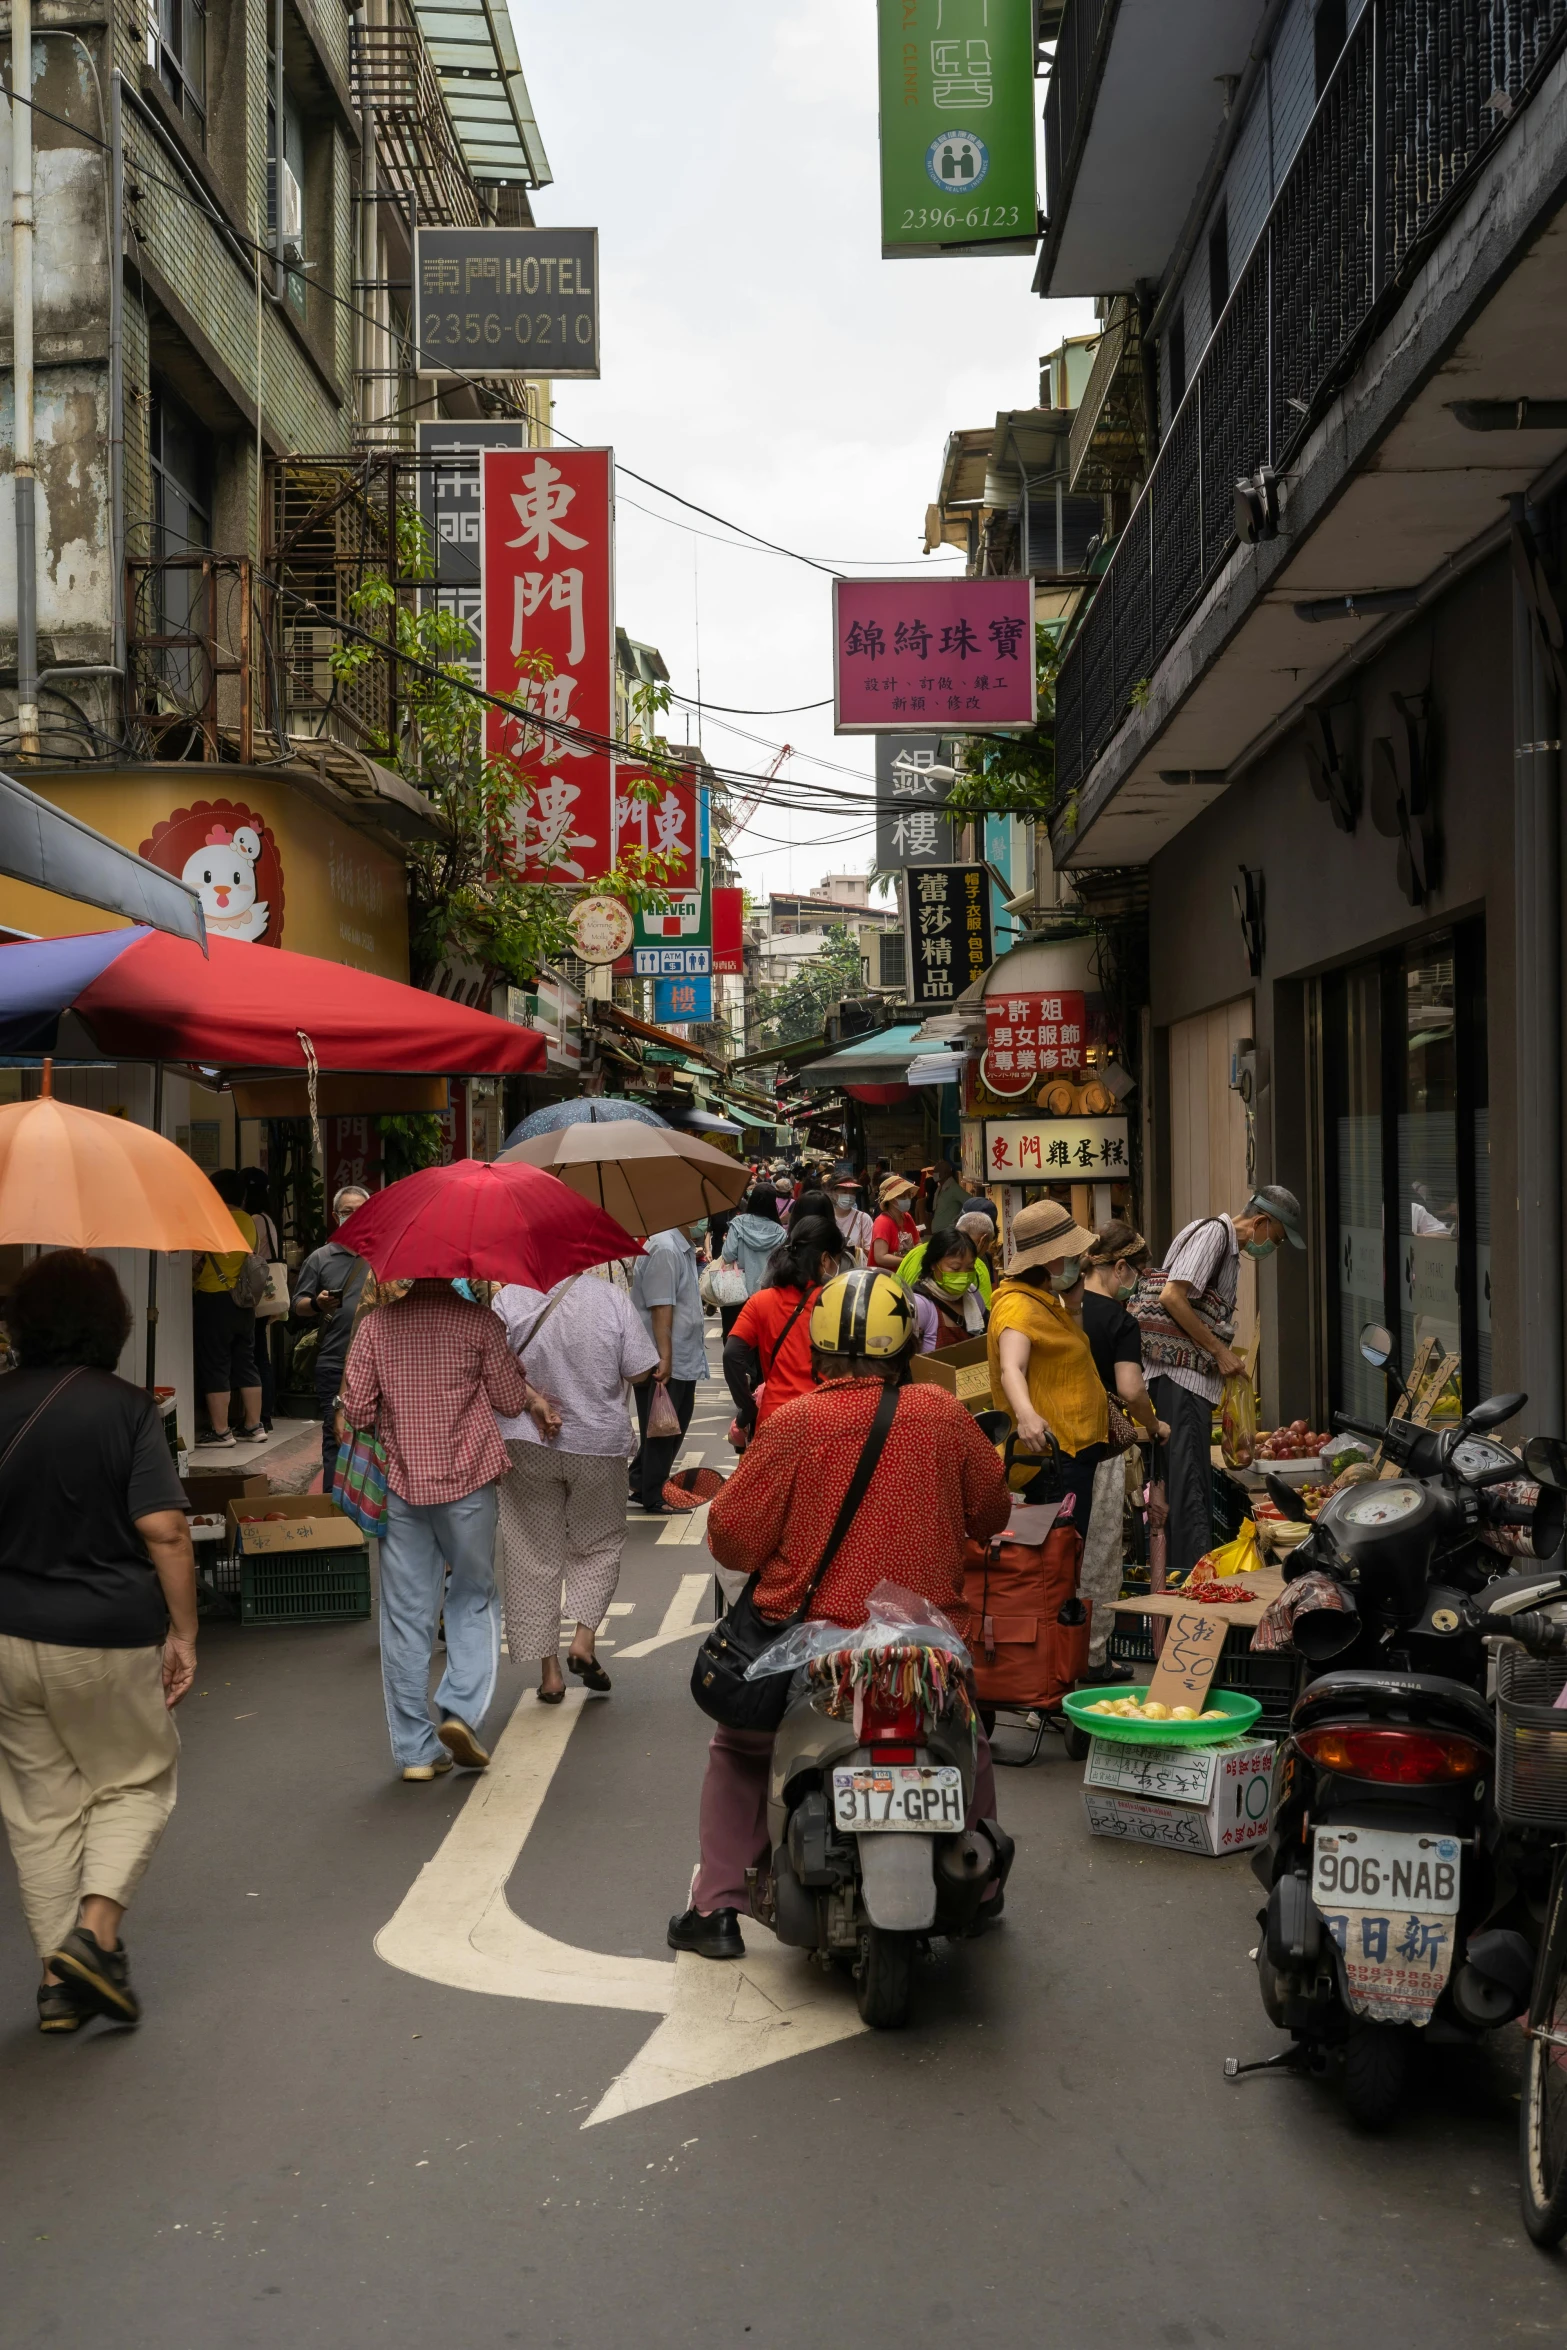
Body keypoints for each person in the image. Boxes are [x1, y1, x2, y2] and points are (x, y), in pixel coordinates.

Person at [669, 1268, 1012, 1959]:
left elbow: (733, 1538)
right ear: (906, 1347)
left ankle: (717, 1908)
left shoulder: (794, 1423)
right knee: (966, 1741)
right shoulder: (943, 1413)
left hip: (814, 1648)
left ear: (818, 1351)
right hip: (926, 1647)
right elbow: (992, 1511)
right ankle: (980, 1888)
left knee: (739, 1750)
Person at [0, 1252, 197, 2031]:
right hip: (106, 1635)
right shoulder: (125, 1408)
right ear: (111, 1325)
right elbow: (166, 1530)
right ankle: (95, 1936)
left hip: (8, 1636)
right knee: (134, 1780)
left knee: (39, 1808)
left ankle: (58, 1984)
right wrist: (183, 1630)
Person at [340, 1279, 527, 1781]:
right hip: (467, 1483)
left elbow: (355, 1411)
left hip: (400, 1487)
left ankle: (416, 1752)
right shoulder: (480, 1322)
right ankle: (460, 1709)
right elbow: (511, 1402)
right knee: (473, 1594)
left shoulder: (376, 1327)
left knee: (405, 1614)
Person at [492, 1275, 658, 1704]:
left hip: (526, 1441)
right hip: (597, 1445)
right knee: (599, 1543)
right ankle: (583, 1640)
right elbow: (640, 1370)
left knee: (531, 1552)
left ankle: (549, 1675)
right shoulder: (610, 1297)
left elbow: (492, 1367)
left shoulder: (508, 1297)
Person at [1144, 1184, 1305, 1586]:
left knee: (1180, 1491)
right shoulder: (1216, 1235)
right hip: (1180, 1382)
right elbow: (1172, 1297)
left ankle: (1180, 1582)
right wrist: (1220, 1352)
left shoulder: (1214, 1237)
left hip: (1180, 1383)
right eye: (1278, 1238)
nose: (1274, 1248)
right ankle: (1192, 1590)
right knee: (1189, 1492)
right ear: (1263, 1222)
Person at [1077, 1225, 1170, 1686]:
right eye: (1135, 1273)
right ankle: (1091, 1660)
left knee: (1055, 1555)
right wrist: (1153, 1425)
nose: (1134, 1283)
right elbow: (1132, 1390)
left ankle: (1047, 1656)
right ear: (1118, 1268)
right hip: (1099, 1442)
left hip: (1047, 1448)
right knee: (1098, 1554)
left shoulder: (1058, 1309)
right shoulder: (1119, 1320)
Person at [986, 1197, 1110, 1535]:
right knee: (1058, 1554)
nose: (1077, 1260)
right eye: (1070, 1255)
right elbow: (1012, 1367)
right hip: (1054, 1455)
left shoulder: (1044, 1302)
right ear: (1051, 1259)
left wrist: (1073, 1305)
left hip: (1072, 1449)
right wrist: (1026, 1416)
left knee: (1068, 1550)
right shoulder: (1018, 1307)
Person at [723, 1213, 849, 1438]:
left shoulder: (761, 1301)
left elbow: (731, 1355)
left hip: (775, 1422)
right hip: (827, 1423)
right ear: (824, 1259)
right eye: (836, 1259)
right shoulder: (838, 1301)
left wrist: (748, 1407)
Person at [291, 1185, 372, 1487]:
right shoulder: (321, 1257)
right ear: (336, 1216)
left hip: (377, 1364)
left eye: (360, 1210)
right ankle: (333, 1511)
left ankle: (370, 1503)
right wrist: (317, 1303)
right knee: (335, 1435)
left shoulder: (383, 1254)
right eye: (346, 1211)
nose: (353, 1217)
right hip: (334, 1361)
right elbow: (296, 1306)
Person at [629, 1222, 709, 1513]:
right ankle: (655, 1494)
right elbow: (661, 1306)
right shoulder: (665, 1247)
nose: (706, 1220)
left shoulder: (682, 1247)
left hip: (681, 1354)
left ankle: (640, 1480)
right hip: (665, 1358)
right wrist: (665, 1357)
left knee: (671, 1422)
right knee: (664, 1428)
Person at [192, 1166, 263, 1448]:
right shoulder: (249, 1221)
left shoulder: (211, 1221)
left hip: (214, 1298)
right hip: (243, 1300)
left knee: (216, 1364)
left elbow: (195, 1260)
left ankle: (221, 1431)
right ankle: (254, 1426)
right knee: (246, 1362)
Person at [238, 1167, 281, 1432]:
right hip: (268, 1291)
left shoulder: (254, 1220)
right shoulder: (269, 1218)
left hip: (255, 1293)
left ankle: (260, 1415)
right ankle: (266, 1413)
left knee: (255, 1355)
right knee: (261, 1353)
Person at [897, 1226, 991, 1347]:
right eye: (955, 1268)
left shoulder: (972, 1293)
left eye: (969, 1268)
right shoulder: (920, 1305)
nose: (963, 1275)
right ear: (933, 1264)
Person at [719, 1184, 786, 1339]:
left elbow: (728, 1255)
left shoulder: (738, 1223)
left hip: (737, 1292)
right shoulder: (779, 1232)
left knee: (734, 1337)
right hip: (766, 1294)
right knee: (760, 1339)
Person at [870, 1173, 921, 1272]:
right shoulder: (882, 1222)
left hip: (905, 1274)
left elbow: (917, 1242)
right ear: (891, 1199)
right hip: (884, 1278)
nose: (907, 1199)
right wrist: (907, 1260)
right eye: (902, 1196)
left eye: (908, 1195)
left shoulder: (907, 1217)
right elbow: (880, 1257)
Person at [826, 1162, 874, 1263]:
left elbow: (870, 1251)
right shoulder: (825, 1218)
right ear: (832, 1193)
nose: (848, 1196)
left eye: (852, 1193)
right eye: (844, 1192)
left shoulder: (863, 1218)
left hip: (856, 1274)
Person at [930, 1157, 967, 1230]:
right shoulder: (939, 1189)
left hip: (948, 1234)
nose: (934, 1174)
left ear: (946, 1173)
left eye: (937, 1171)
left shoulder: (954, 1189)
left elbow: (970, 1202)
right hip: (939, 1234)